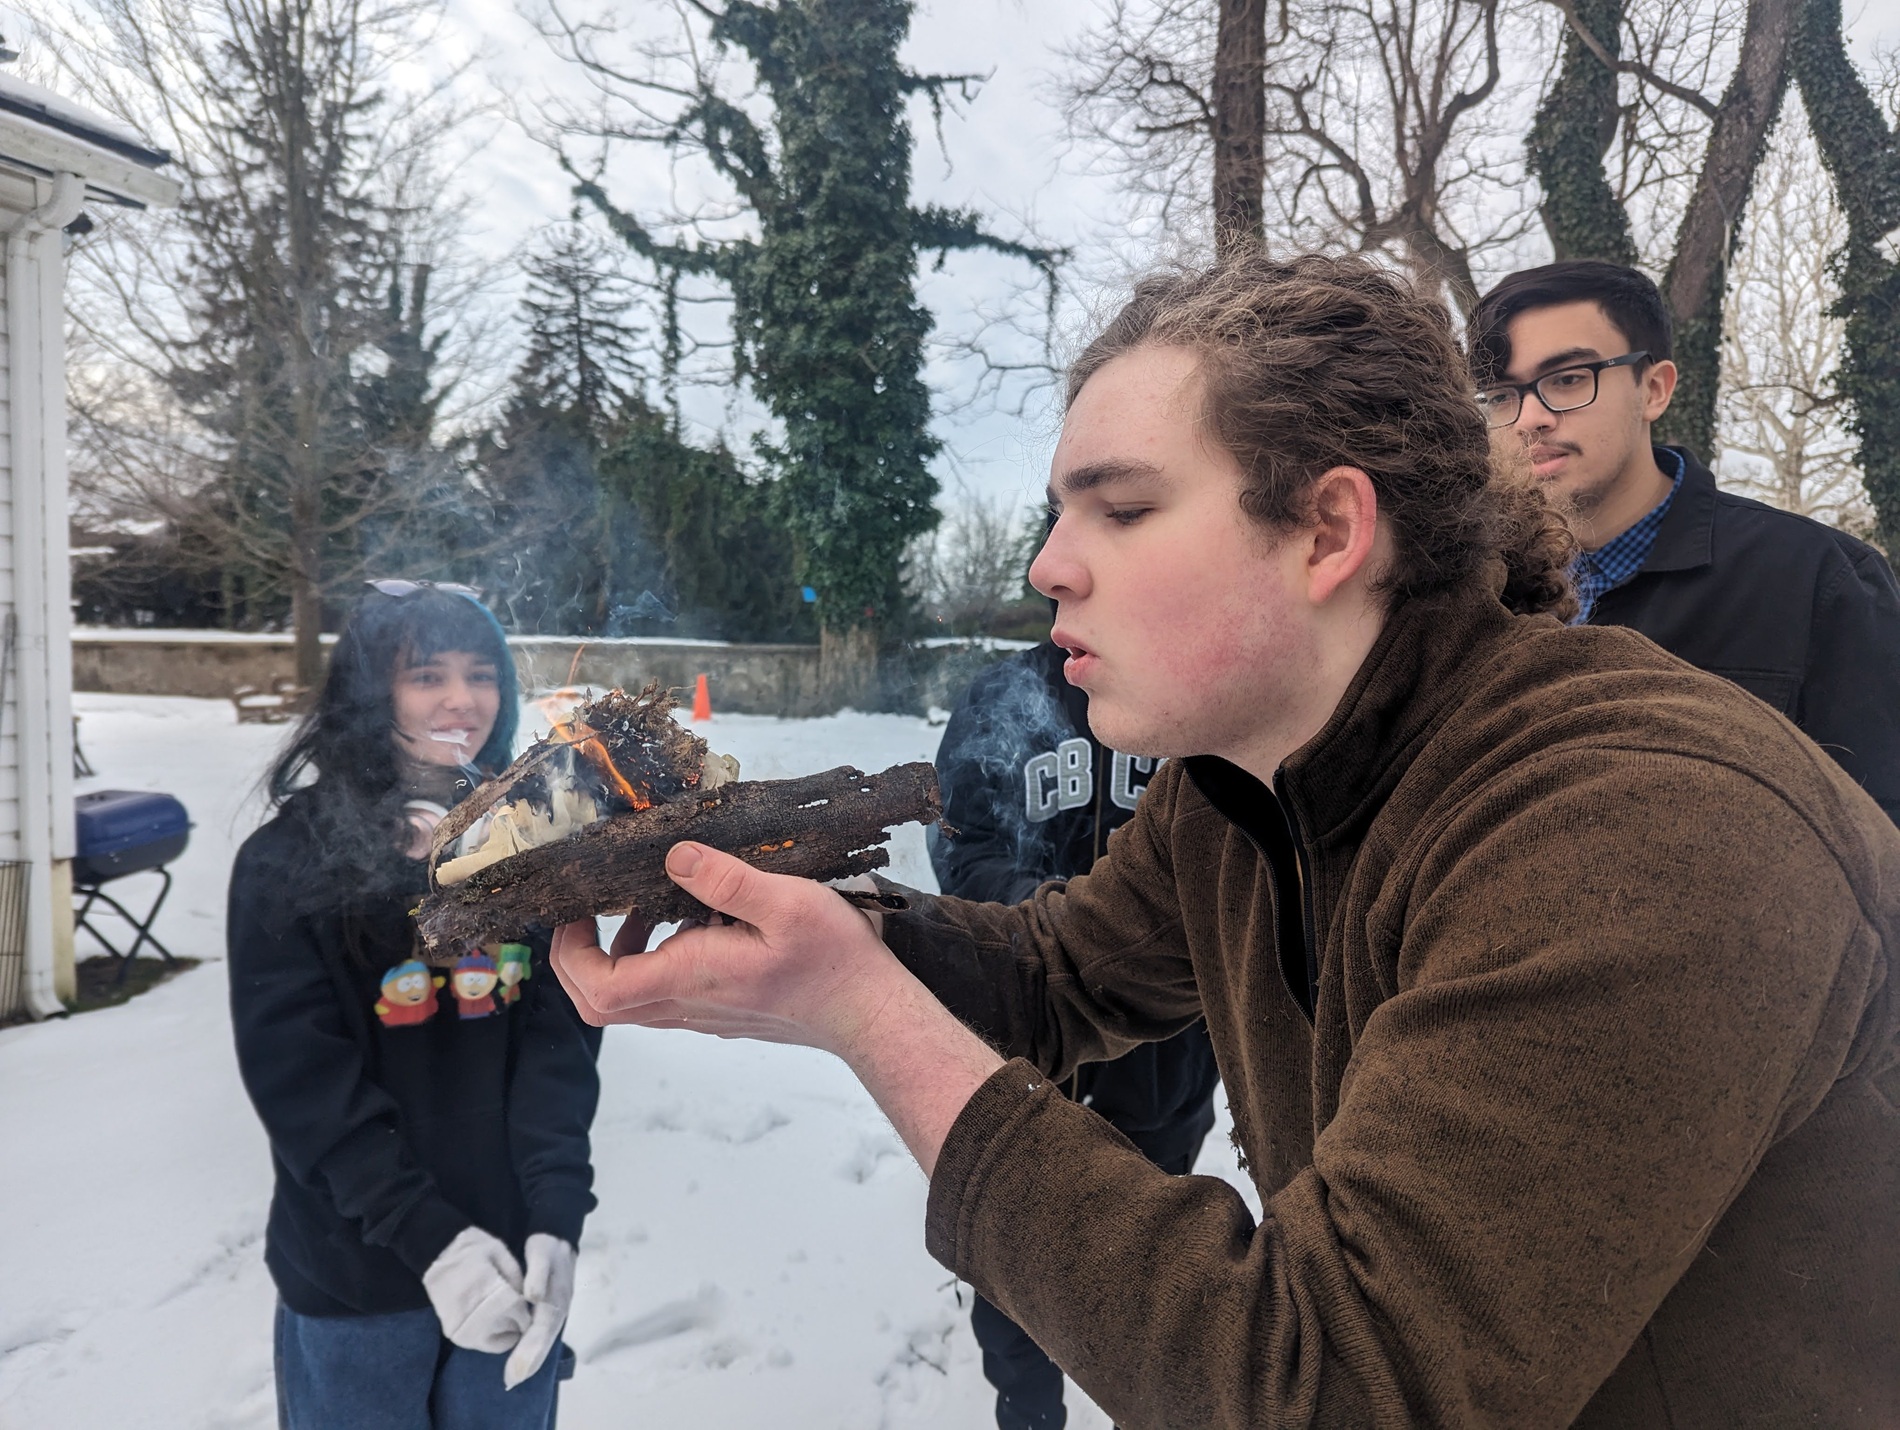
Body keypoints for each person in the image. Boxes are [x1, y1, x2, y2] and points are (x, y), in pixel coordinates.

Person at [548, 253, 1899, 1428]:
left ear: (1327, 529)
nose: (1047, 566)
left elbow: (1331, 1389)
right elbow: (1057, 977)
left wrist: (867, 1017)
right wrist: (817, 934)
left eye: (1120, 507)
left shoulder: (1636, 829)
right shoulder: (1245, 780)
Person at [229, 582, 603, 1430]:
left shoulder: (532, 844)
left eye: (481, 675)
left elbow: (561, 1043)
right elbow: (303, 1088)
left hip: (511, 1267)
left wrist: (554, 1215)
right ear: (371, 693)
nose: (462, 701)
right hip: (355, 1281)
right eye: (426, 676)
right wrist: (427, 1238)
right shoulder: (286, 862)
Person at [1469, 259, 1900, 820]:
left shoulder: (1818, 580)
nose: (1529, 418)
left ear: (1653, 389)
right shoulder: (1466, 593)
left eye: (1568, 379)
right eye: (1502, 395)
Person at [931, 638, 1219, 1430]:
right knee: (1013, 1257)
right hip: (1025, 1046)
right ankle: (1029, 1412)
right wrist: (1074, 918)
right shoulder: (1003, 695)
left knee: (1156, 1267)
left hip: (1170, 1059)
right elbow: (960, 847)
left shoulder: (1198, 691)